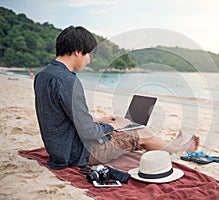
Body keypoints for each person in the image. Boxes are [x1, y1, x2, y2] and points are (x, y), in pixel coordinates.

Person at [34, 26, 200, 170]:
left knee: (125, 125)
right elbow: (88, 132)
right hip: (78, 154)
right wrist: (112, 126)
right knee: (141, 133)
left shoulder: (42, 75)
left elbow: (58, 117)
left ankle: (171, 145)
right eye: (89, 55)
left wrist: (100, 121)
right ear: (78, 52)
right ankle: (178, 148)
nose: (89, 61)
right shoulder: (68, 80)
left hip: (58, 150)